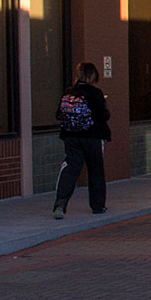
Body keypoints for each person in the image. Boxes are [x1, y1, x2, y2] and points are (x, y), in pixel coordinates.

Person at [53, 62, 111, 219]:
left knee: (70, 169)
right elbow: (105, 115)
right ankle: (98, 206)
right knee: (96, 171)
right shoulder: (95, 93)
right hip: (92, 137)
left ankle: (60, 204)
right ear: (93, 76)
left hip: (71, 137)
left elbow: (59, 114)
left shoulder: (69, 92)